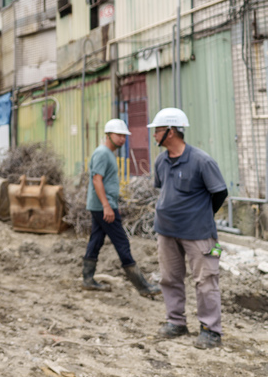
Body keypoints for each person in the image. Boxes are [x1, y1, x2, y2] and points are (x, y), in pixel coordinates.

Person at [148, 107, 228, 349]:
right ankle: (176, 322)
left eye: (158, 131)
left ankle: (210, 330)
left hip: (199, 235)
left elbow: (220, 193)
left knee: (206, 281)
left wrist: (201, 215)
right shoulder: (161, 161)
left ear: (171, 132)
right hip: (166, 231)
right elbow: (163, 190)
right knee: (169, 278)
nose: (154, 135)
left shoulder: (201, 161)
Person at [82, 119, 161, 297]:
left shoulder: (107, 153)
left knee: (96, 240)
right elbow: (97, 180)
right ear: (108, 135)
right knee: (122, 242)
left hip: (102, 205)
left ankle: (87, 279)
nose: (122, 139)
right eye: (119, 135)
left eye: (124, 136)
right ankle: (142, 286)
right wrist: (106, 206)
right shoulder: (102, 153)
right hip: (104, 207)